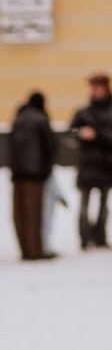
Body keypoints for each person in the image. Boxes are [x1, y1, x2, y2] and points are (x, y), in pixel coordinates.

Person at [72, 75, 112, 248]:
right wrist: (80, 132)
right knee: (84, 205)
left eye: (98, 87)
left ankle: (101, 238)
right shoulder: (83, 111)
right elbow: (72, 130)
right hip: (87, 163)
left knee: (104, 205)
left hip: (107, 163)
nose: (95, 91)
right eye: (93, 87)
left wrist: (102, 135)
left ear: (106, 87)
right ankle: (85, 239)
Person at [10, 87, 62, 260]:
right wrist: (47, 168)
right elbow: (50, 146)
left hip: (18, 174)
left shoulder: (18, 119)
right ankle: (35, 251)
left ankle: (25, 250)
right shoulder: (41, 119)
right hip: (36, 174)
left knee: (20, 215)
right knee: (35, 215)